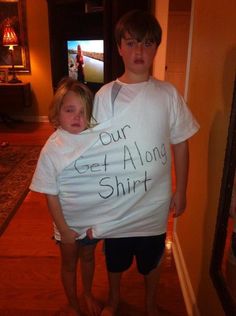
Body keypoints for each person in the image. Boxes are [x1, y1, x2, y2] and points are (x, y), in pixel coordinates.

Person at [90, 9, 200, 316]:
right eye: (132, 42)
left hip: (154, 203)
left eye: (148, 43)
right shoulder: (105, 96)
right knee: (115, 257)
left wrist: (182, 190)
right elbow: (95, 151)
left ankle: (151, 303)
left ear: (156, 48)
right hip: (118, 204)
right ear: (119, 47)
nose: (140, 51)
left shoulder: (167, 94)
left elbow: (180, 143)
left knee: (151, 259)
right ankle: (113, 299)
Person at [30, 77, 101, 316]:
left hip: (93, 222)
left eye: (83, 112)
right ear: (57, 112)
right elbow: (50, 193)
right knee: (70, 264)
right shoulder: (52, 148)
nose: (77, 117)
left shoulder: (94, 138)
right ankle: (72, 304)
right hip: (67, 224)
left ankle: (88, 294)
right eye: (70, 110)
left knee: (89, 258)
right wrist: (63, 228)